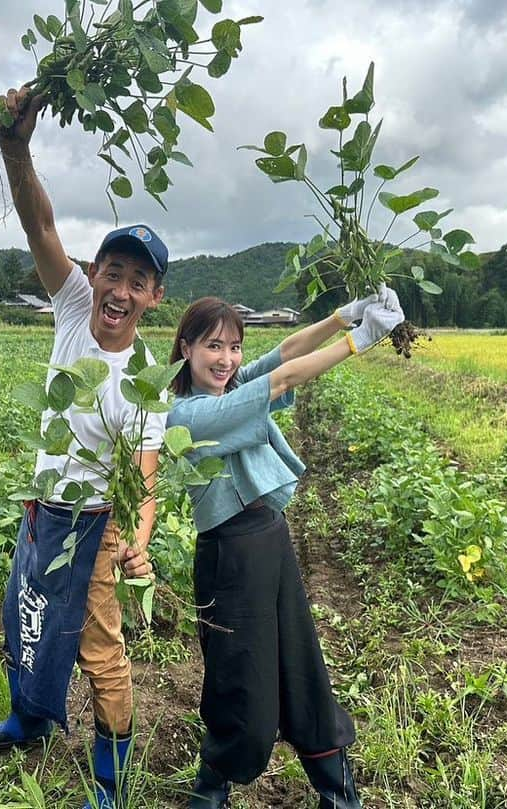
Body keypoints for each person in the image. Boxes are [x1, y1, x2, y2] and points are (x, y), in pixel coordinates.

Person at [0, 85, 167, 809]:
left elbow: (144, 476)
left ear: (154, 297)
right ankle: (29, 720)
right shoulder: (74, 305)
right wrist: (15, 147)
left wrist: (137, 539)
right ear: (95, 274)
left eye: (137, 281)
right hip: (43, 507)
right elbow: (41, 225)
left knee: (98, 650)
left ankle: (112, 782)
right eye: (112, 271)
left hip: (96, 523)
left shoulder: (147, 379)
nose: (118, 289)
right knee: (25, 610)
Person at [165, 291, 405, 809]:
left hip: (271, 538)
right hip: (229, 556)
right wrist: (360, 340)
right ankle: (212, 791)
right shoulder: (189, 415)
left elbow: (286, 354)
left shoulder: (228, 387)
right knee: (239, 680)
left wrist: (345, 314)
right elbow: (285, 379)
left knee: (301, 666)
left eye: (234, 346)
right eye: (213, 346)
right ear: (185, 348)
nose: (227, 359)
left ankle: (338, 796)